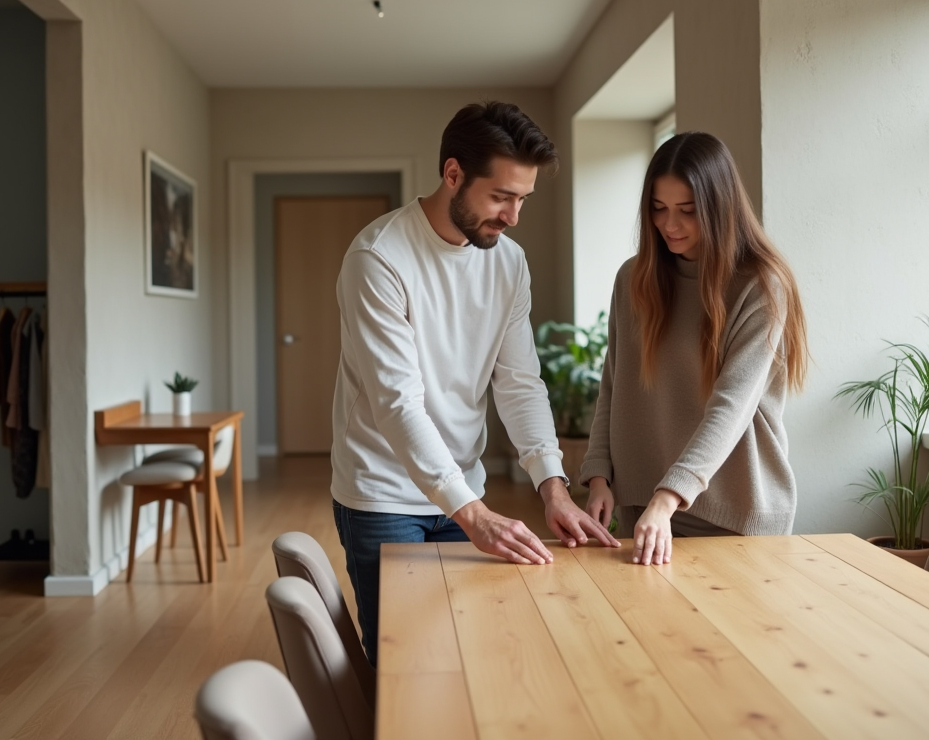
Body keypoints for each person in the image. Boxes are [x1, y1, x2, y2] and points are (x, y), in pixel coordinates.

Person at [331, 101, 619, 665]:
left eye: (523, 199)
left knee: (468, 654)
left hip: (461, 489)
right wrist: (475, 514)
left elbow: (519, 383)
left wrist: (552, 486)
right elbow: (398, 404)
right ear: (453, 173)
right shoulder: (379, 259)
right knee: (405, 663)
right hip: (385, 494)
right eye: (501, 196)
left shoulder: (507, 262)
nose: (513, 215)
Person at [581, 131, 809, 567]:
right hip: (644, 507)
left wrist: (669, 498)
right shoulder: (633, 280)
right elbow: (614, 383)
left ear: (720, 208)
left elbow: (732, 406)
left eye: (687, 211)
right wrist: (597, 475)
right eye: (659, 209)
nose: (670, 225)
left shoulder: (760, 285)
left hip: (733, 510)